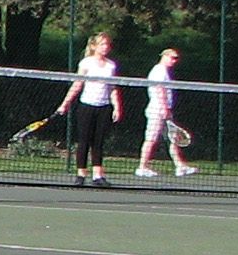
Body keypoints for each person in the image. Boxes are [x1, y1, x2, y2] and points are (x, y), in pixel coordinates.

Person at [55, 34, 120, 188]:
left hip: (103, 108)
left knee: (98, 142)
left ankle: (98, 176)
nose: (105, 47)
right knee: (84, 141)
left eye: (107, 45)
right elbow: (77, 84)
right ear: (94, 46)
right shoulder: (86, 63)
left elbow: (113, 88)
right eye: (102, 44)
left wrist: (116, 106)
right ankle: (81, 175)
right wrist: (65, 104)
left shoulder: (111, 66)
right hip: (86, 106)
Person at [135, 46, 199, 178]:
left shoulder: (164, 71)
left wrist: (167, 109)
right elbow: (159, 89)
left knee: (172, 139)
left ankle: (180, 166)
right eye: (172, 58)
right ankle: (142, 167)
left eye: (176, 58)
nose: (174, 61)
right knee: (151, 139)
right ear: (164, 56)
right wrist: (164, 108)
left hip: (164, 110)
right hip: (157, 110)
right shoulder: (159, 71)